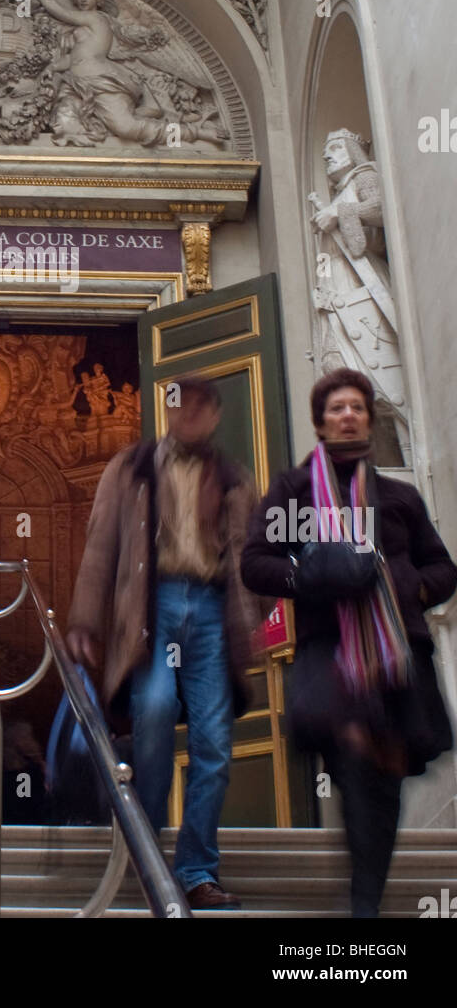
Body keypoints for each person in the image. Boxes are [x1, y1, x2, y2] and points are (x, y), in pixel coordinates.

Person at [242, 368, 457, 919]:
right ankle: (364, 903)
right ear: (320, 422)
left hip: (396, 657)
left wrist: (406, 584)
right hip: (329, 655)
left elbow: (443, 569)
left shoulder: (401, 498)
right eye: (336, 407)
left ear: (368, 417)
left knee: (380, 789)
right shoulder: (295, 492)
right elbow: (256, 563)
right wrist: (312, 577)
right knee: (357, 768)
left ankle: (366, 903)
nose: (348, 415)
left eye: (357, 406)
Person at [66, 375, 261, 910]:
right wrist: (84, 618)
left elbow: (253, 554)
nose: (190, 414)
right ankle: (146, 849)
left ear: (215, 415)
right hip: (154, 607)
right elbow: (101, 543)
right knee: (152, 711)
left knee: (214, 745)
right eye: (182, 405)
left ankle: (197, 869)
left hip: (211, 612)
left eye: (202, 406)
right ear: (168, 410)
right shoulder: (130, 468)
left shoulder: (235, 478)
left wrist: (254, 620)